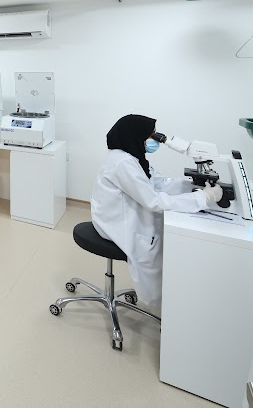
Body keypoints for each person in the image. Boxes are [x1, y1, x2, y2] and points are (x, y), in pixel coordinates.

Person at [90, 114, 223, 308]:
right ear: (136, 136)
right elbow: (153, 201)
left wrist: (192, 186)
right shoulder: (122, 162)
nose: (154, 140)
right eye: (151, 135)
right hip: (113, 223)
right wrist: (203, 198)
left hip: (120, 213)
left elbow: (158, 182)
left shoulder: (132, 156)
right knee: (149, 246)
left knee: (158, 233)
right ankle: (159, 304)